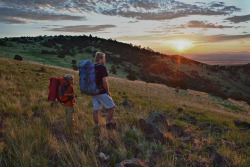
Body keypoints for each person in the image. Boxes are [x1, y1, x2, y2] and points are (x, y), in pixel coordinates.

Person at [91, 52, 116, 130]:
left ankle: (96, 126)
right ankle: (108, 124)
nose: (105, 60)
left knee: (95, 110)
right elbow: (104, 81)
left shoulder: (91, 67)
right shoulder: (102, 68)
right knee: (112, 107)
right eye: (104, 58)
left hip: (92, 91)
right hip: (101, 92)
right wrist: (108, 91)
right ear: (100, 59)